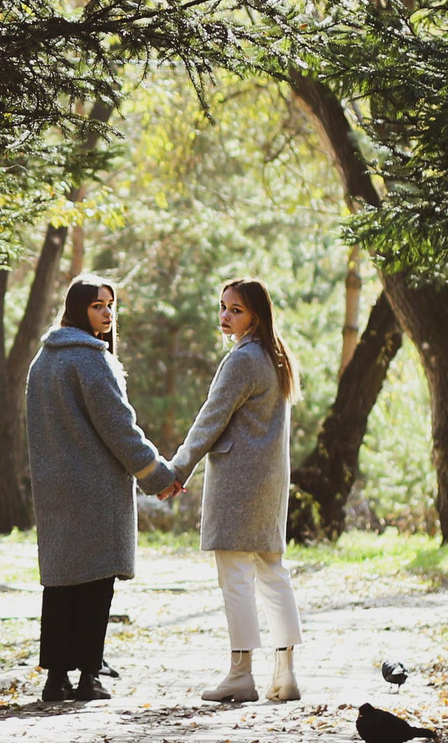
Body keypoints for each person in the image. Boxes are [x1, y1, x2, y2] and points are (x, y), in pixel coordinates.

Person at [23, 274, 181, 702]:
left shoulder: (43, 361)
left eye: (111, 304)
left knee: (60, 585)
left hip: (56, 491)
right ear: (77, 309)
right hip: (94, 492)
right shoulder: (92, 360)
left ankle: (55, 679)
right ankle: (88, 677)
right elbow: (121, 429)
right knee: (95, 585)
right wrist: (159, 476)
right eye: (97, 305)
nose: (107, 313)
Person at [166, 277, 303, 703]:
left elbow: (211, 419)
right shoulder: (275, 357)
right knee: (273, 574)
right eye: (222, 307)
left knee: (236, 576)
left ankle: (241, 673)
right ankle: (286, 673)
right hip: (269, 481)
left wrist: (178, 469)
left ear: (256, 316)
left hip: (239, 481)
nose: (224, 316)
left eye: (235, 310)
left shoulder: (242, 360)